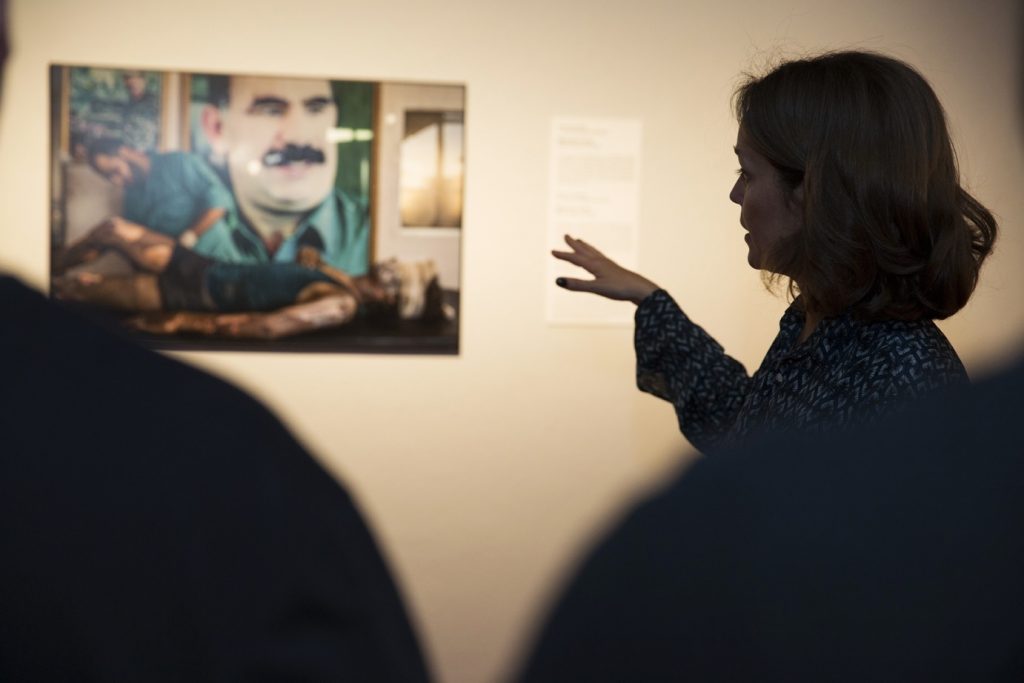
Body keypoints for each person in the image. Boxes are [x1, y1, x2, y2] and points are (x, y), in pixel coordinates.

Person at [0, 4, 430, 680]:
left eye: (318, 108)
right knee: (103, 258)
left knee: (95, 282)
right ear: (215, 129)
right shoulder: (329, 274)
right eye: (270, 108)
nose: (383, 275)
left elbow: (262, 326)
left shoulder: (336, 302)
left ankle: (66, 282)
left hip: (202, 286)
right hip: (201, 274)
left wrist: (176, 326)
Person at [553, 51, 997, 453]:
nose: (735, 194)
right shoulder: (819, 318)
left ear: (815, 191)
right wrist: (651, 300)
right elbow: (752, 437)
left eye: (747, 173)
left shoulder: (906, 382)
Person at [516, 354, 1024, 682]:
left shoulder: (904, 365)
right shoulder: (810, 328)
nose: (740, 213)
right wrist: (651, 300)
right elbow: (748, 427)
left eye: (748, 181)